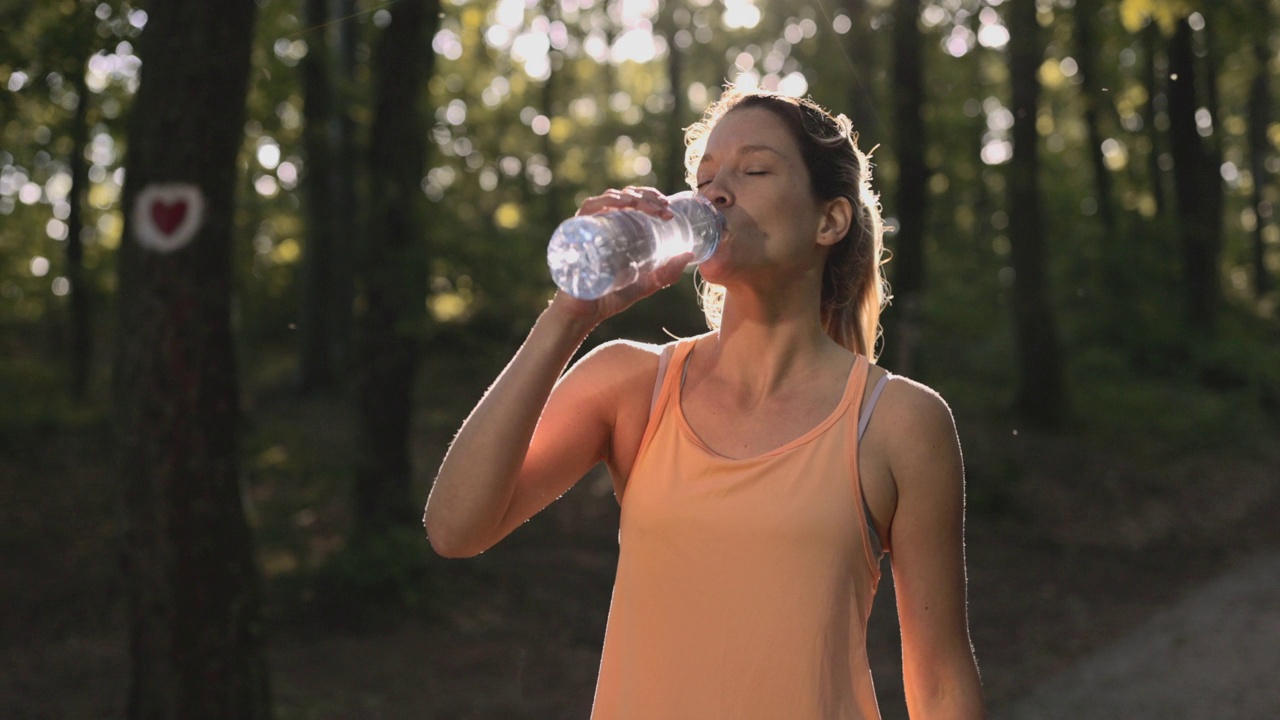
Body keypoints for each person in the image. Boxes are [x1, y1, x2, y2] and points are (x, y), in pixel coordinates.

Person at [424, 85, 984, 719]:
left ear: (830, 220)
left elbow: (938, 682)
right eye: (706, 176)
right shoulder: (631, 384)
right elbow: (454, 528)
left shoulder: (898, 422)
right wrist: (569, 317)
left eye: (754, 170)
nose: (716, 191)